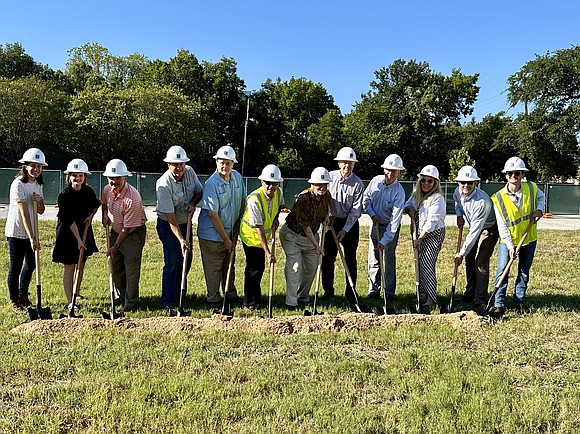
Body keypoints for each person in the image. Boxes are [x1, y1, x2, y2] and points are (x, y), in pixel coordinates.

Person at [488, 157, 544, 317]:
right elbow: (502, 225)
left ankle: (518, 302)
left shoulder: (532, 188)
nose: (514, 176)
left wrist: (539, 210)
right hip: (508, 241)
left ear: (522, 174)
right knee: (502, 270)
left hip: (529, 238)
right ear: (506, 175)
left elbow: (541, 197)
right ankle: (498, 304)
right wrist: (510, 246)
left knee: (524, 271)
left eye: (517, 173)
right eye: (510, 173)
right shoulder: (498, 198)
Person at [197, 145, 246, 307]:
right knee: (214, 267)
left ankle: (230, 294)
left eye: (228, 163)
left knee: (229, 264)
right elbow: (213, 214)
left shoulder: (237, 178)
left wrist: (237, 229)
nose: (224, 166)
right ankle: (213, 299)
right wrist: (225, 239)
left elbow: (243, 201)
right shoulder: (212, 184)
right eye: (221, 162)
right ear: (216, 162)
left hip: (231, 231)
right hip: (212, 234)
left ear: (233, 164)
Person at [156, 146, 203, 309]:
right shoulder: (163, 184)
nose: (179, 168)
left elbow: (199, 192)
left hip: (185, 222)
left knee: (187, 259)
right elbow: (171, 218)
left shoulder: (190, 172)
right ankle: (168, 301)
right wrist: (181, 239)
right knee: (173, 260)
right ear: (168, 164)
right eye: (175, 164)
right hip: (168, 225)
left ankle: (180, 294)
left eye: (181, 164)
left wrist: (192, 203)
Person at [280, 167, 331, 310]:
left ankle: (302, 296)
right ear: (312, 184)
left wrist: (327, 216)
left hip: (311, 237)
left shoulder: (327, 195)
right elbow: (306, 227)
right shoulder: (302, 199)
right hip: (292, 236)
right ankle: (291, 302)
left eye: (325, 184)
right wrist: (317, 246)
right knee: (295, 267)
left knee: (312, 266)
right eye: (318, 184)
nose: (322, 187)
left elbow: (327, 208)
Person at [52, 159, 100, 307]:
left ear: (85, 177)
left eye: (81, 176)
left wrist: (91, 217)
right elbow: (69, 220)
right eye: (74, 175)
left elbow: (95, 205)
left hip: (84, 229)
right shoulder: (64, 195)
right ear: (69, 177)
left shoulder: (88, 191)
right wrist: (79, 240)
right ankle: (69, 301)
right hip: (68, 233)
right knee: (70, 266)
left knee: (81, 263)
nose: (78, 179)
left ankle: (76, 292)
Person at [101, 159, 147, 312]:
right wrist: (105, 215)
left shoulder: (132, 198)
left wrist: (115, 246)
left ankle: (131, 302)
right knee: (115, 265)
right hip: (115, 230)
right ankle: (121, 296)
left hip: (133, 234)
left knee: (131, 268)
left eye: (118, 178)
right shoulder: (107, 189)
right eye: (111, 178)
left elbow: (127, 229)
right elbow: (104, 203)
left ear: (125, 177)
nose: (114, 181)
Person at [321, 147, 364, 303]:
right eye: (344, 162)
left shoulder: (358, 183)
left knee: (350, 259)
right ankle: (328, 292)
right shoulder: (329, 177)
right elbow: (323, 198)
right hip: (331, 222)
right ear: (339, 163)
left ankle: (351, 292)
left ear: (354, 165)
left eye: (350, 163)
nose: (347, 166)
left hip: (350, 224)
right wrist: (327, 215)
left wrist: (345, 230)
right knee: (328, 258)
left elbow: (356, 210)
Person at [453, 166, 499, 314]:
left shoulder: (482, 202)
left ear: (476, 183)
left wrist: (461, 253)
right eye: (463, 182)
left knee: (480, 262)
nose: (466, 186)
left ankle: (480, 300)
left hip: (488, 229)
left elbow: (474, 232)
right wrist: (459, 214)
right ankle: (470, 293)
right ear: (458, 183)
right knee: (469, 260)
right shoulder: (457, 192)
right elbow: (457, 203)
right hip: (474, 226)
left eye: (470, 183)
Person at [5, 148, 46, 311]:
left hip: (31, 231)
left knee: (30, 264)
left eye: (39, 166)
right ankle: (14, 300)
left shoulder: (38, 184)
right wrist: (32, 238)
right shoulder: (18, 184)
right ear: (25, 166)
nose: (36, 169)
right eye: (33, 166)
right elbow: (23, 213)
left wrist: (39, 201)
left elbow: (40, 211)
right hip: (16, 231)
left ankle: (23, 295)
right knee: (16, 265)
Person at [239, 164, 284, 310]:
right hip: (251, 236)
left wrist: (276, 218)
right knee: (253, 268)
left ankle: (256, 299)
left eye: (274, 184)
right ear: (261, 182)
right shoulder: (254, 199)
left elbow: (279, 207)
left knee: (260, 268)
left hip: (265, 235)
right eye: (268, 183)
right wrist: (268, 252)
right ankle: (249, 302)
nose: (271, 187)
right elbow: (258, 228)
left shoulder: (279, 193)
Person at [363, 154, 406, 301]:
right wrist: (372, 213)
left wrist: (385, 240)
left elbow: (395, 221)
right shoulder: (375, 181)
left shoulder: (399, 192)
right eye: (389, 169)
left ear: (399, 172)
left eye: (395, 170)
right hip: (375, 225)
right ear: (384, 169)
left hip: (389, 227)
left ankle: (389, 292)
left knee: (388, 258)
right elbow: (366, 199)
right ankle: (374, 290)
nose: (391, 173)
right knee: (374, 258)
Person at [404, 165, 446, 314]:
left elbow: (432, 221)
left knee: (426, 264)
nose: (426, 184)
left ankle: (431, 300)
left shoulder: (437, 198)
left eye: (430, 181)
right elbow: (407, 205)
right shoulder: (417, 194)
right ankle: (422, 295)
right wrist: (409, 209)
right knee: (418, 264)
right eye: (424, 180)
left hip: (432, 234)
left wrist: (421, 238)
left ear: (435, 183)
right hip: (417, 234)